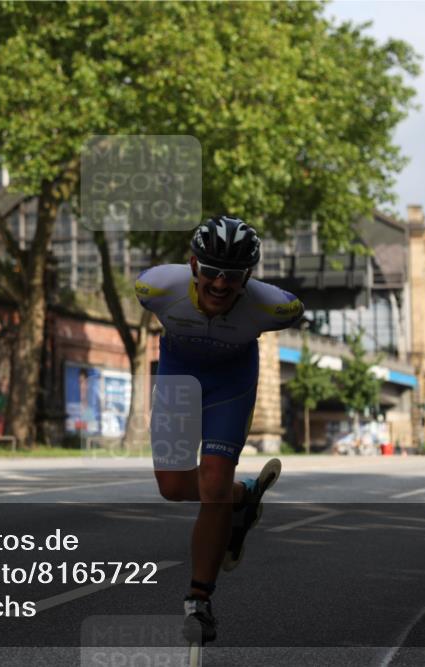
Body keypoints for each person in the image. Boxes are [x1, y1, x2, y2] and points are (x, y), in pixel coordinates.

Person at [134, 215, 304, 644]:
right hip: (178, 377)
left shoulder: (273, 307)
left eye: (233, 276)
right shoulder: (157, 288)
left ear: (248, 276)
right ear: (193, 264)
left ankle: (199, 601)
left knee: (212, 483)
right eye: (211, 271)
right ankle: (242, 498)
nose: (220, 285)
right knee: (172, 488)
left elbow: (295, 306)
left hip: (231, 383)